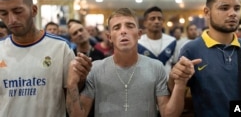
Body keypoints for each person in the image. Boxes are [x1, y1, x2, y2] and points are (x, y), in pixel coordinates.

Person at [66, 7, 201, 117]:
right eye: (117, 27)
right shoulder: (96, 68)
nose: (123, 31)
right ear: (109, 37)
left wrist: (180, 83)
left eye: (130, 26)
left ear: (139, 34)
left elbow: (168, 114)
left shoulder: (155, 67)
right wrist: (72, 84)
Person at [169, 0, 241, 117]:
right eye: (224, 8)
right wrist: (174, 78)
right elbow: (177, 93)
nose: (232, 13)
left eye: (236, 8)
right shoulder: (191, 50)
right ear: (207, 12)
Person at [0, 0, 76, 117]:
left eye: (18, 11)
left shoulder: (60, 48)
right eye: (4, 13)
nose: (11, 20)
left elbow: (72, 96)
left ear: (34, 10)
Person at [138, 6, 178, 76]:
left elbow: (175, 64)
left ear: (163, 22)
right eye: (152, 19)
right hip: (145, 84)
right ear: (145, 23)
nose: (157, 21)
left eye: (159, 19)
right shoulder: (138, 42)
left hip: (166, 84)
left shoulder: (172, 41)